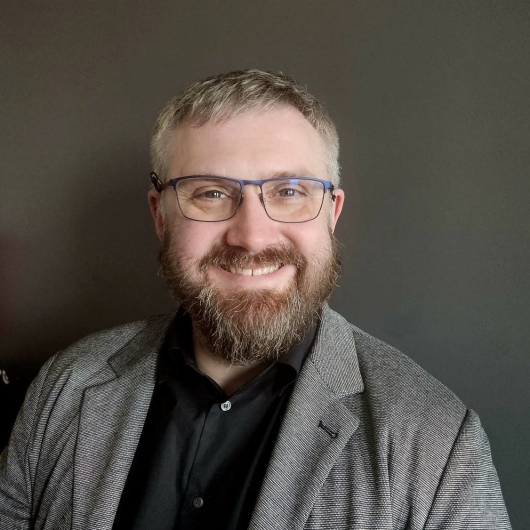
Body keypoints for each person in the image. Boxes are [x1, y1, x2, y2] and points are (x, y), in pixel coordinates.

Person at [0, 69, 511, 530]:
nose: (251, 236)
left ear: (331, 214)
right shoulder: (64, 387)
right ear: (160, 216)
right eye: (211, 193)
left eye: (289, 191)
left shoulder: (437, 443)